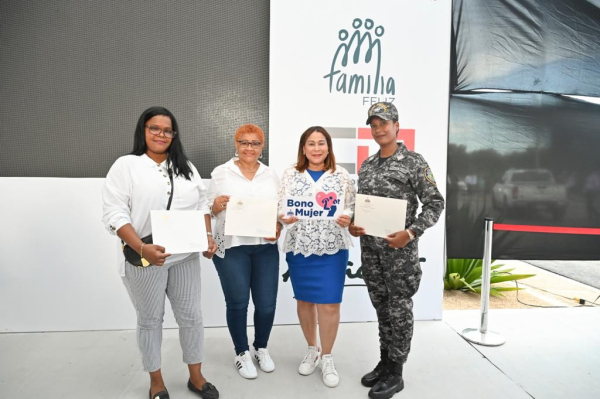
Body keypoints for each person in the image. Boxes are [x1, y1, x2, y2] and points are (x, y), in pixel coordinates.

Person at [102, 107, 219, 399]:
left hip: (185, 257)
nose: (161, 134)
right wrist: (142, 247)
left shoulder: (186, 167)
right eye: (154, 128)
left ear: (174, 135)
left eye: (167, 130)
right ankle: (156, 380)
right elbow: (114, 214)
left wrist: (206, 239)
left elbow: (202, 206)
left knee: (192, 317)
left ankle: (196, 376)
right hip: (144, 258)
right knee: (150, 320)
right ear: (143, 130)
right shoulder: (126, 166)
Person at [350, 102, 444, 399]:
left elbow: (435, 203)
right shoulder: (367, 164)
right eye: (374, 125)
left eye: (384, 124)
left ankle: (397, 372)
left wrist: (411, 232)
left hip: (399, 254)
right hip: (371, 251)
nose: (379, 129)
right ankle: (385, 361)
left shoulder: (413, 161)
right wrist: (354, 224)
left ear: (396, 125)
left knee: (399, 309)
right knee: (381, 307)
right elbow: (363, 207)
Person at [278, 126, 356, 388]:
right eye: (311, 144)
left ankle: (327, 355)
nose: (316, 148)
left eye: (321, 143)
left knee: (330, 304)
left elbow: (352, 206)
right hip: (300, 245)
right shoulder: (290, 174)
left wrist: (348, 218)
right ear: (303, 148)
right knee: (304, 301)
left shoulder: (341, 175)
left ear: (328, 147)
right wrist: (283, 217)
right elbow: (280, 205)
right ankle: (312, 348)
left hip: (332, 247)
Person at [208, 123, 282, 379]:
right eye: (244, 142)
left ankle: (260, 347)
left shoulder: (271, 175)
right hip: (232, 246)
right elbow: (207, 209)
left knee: (266, 305)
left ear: (262, 147)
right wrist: (215, 206)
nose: (249, 148)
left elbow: (279, 212)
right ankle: (241, 352)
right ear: (236, 144)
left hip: (265, 247)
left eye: (255, 143)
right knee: (238, 303)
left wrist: (278, 226)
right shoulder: (221, 173)